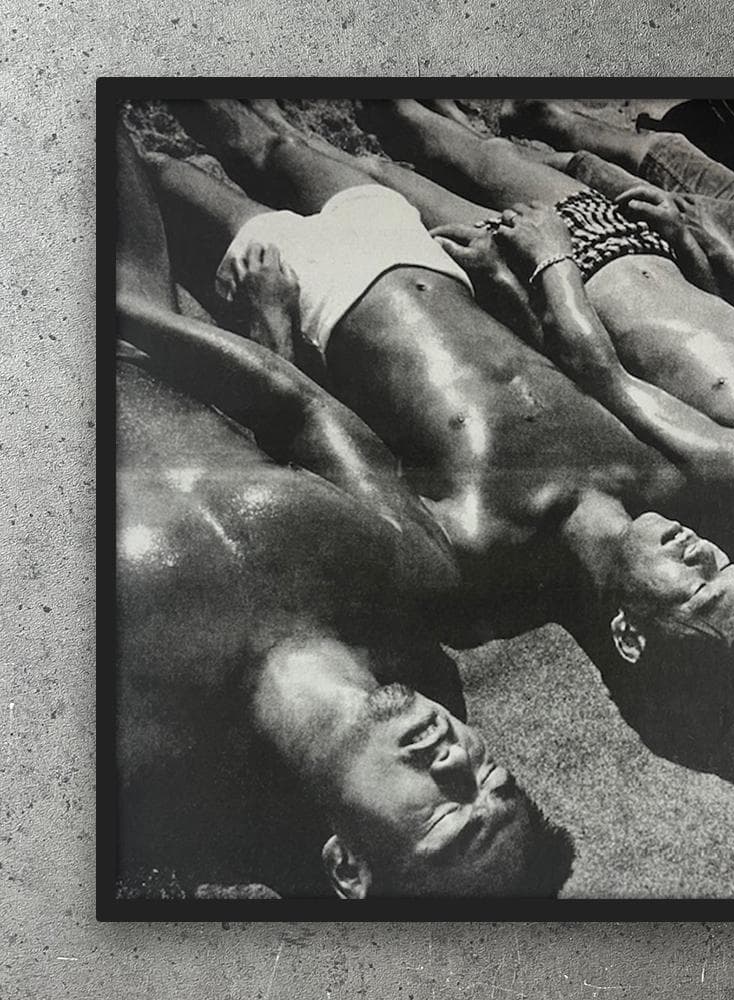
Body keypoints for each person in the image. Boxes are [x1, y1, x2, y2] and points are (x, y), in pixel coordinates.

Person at [150, 100, 734, 749]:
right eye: (730, 570)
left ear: (629, 635)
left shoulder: (473, 558)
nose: (707, 555)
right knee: (280, 139)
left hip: (313, 298)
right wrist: (503, 278)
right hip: (426, 261)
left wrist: (269, 320)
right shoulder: (662, 474)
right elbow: (576, 363)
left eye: (698, 592)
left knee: (157, 172)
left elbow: (308, 432)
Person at [114, 126, 574, 898]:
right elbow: (294, 408)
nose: (456, 761)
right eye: (491, 775)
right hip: (138, 314)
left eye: (450, 816)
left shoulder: (144, 759)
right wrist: (129, 313)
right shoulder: (408, 589)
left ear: (348, 865)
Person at [481, 98, 734, 332]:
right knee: (670, 152)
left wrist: (721, 253)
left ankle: (489, 152)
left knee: (607, 183)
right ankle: (546, 117)